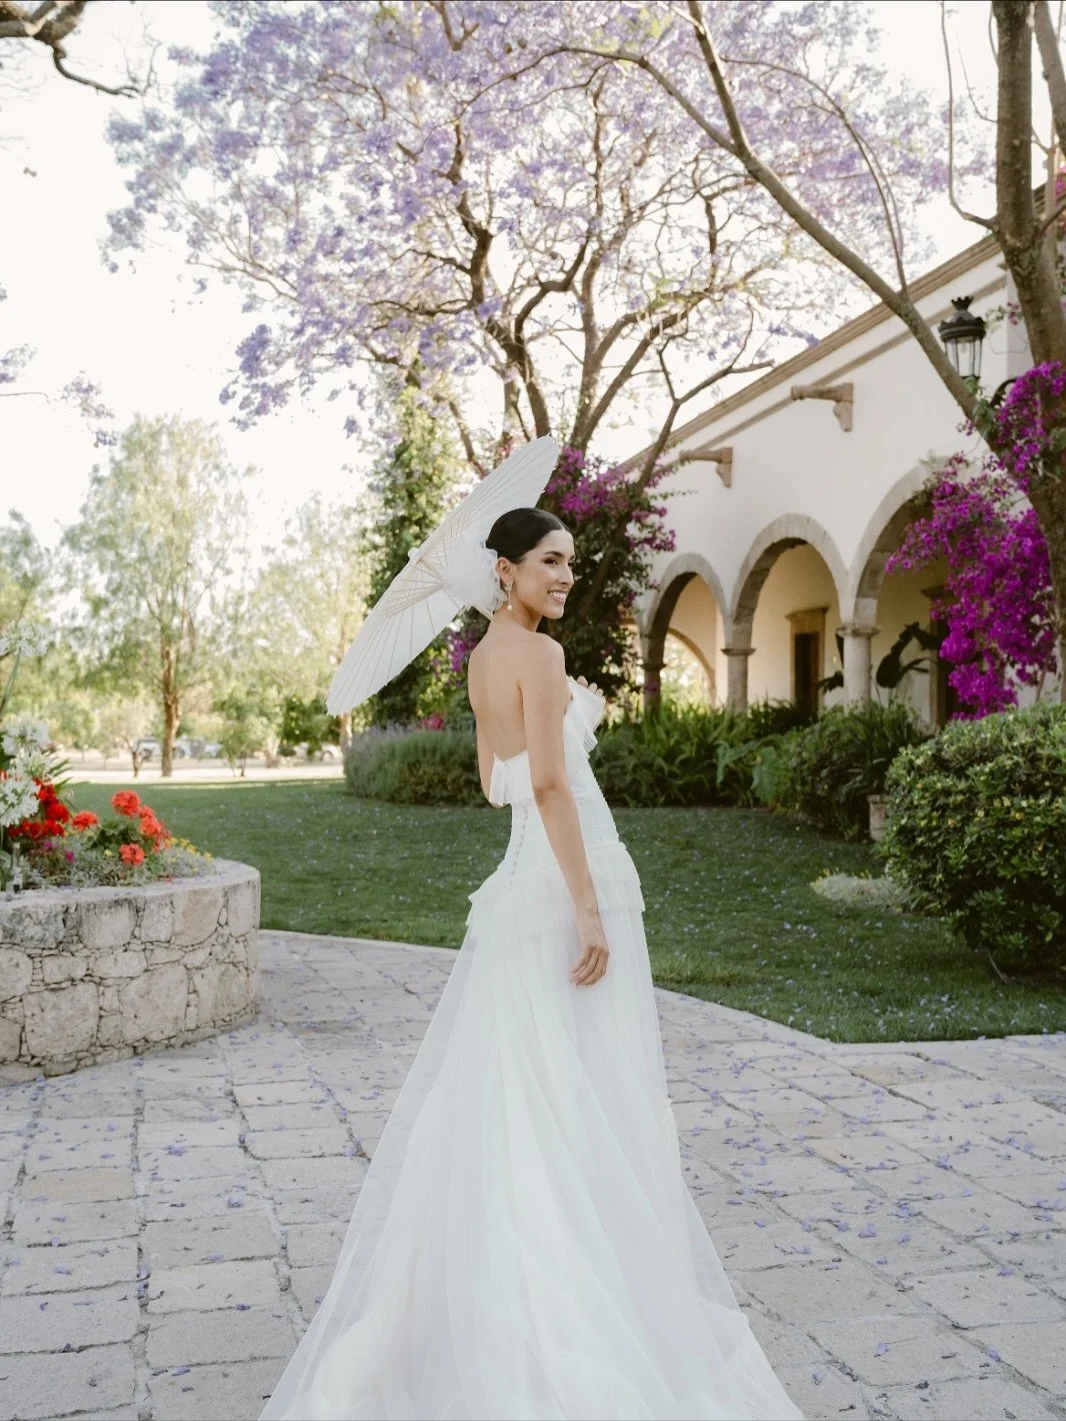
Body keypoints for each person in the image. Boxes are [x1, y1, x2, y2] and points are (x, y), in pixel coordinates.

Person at [259, 507, 804, 1421]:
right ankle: (581, 1308)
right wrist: (587, 904)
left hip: (518, 893)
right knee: (592, 1097)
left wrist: (562, 716)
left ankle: (519, 1291)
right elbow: (549, 784)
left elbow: (495, 780)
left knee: (528, 1101)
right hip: (567, 887)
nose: (566, 575)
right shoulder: (541, 658)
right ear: (504, 569)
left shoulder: (481, 662)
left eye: (572, 563)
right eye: (550, 561)